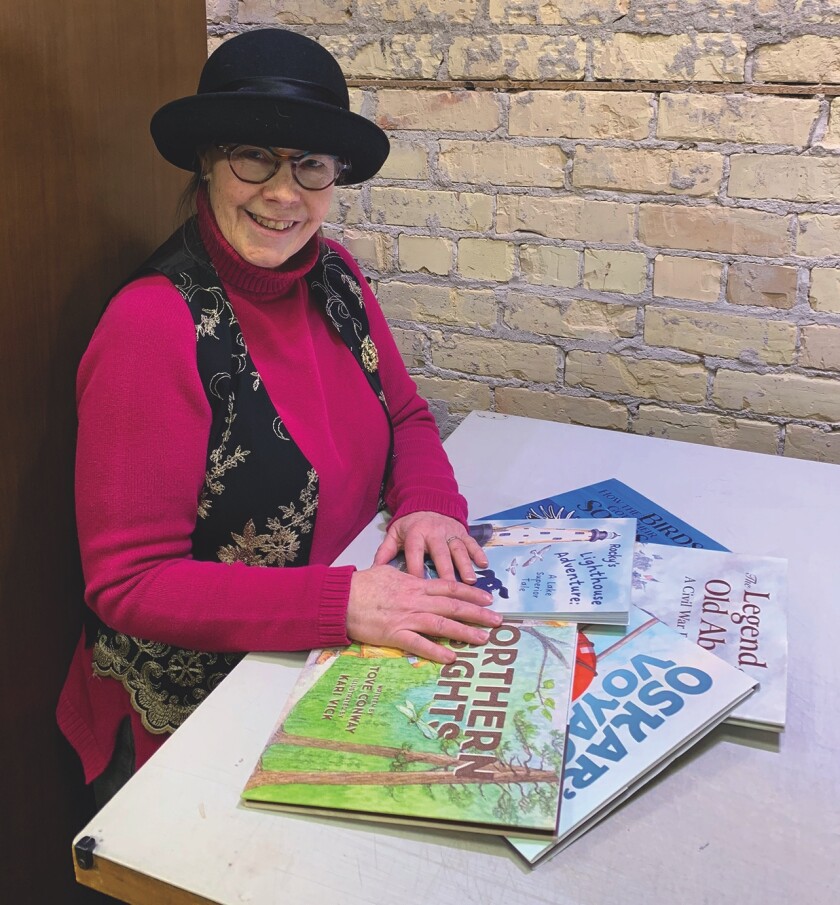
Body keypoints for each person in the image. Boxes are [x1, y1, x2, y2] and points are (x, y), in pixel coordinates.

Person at [57, 27, 498, 800]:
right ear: (207, 159)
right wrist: (344, 603)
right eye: (253, 156)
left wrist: (430, 506)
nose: (285, 192)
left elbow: (407, 418)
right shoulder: (152, 326)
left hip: (327, 662)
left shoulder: (335, 276)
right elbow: (128, 583)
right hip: (198, 719)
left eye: (311, 165)